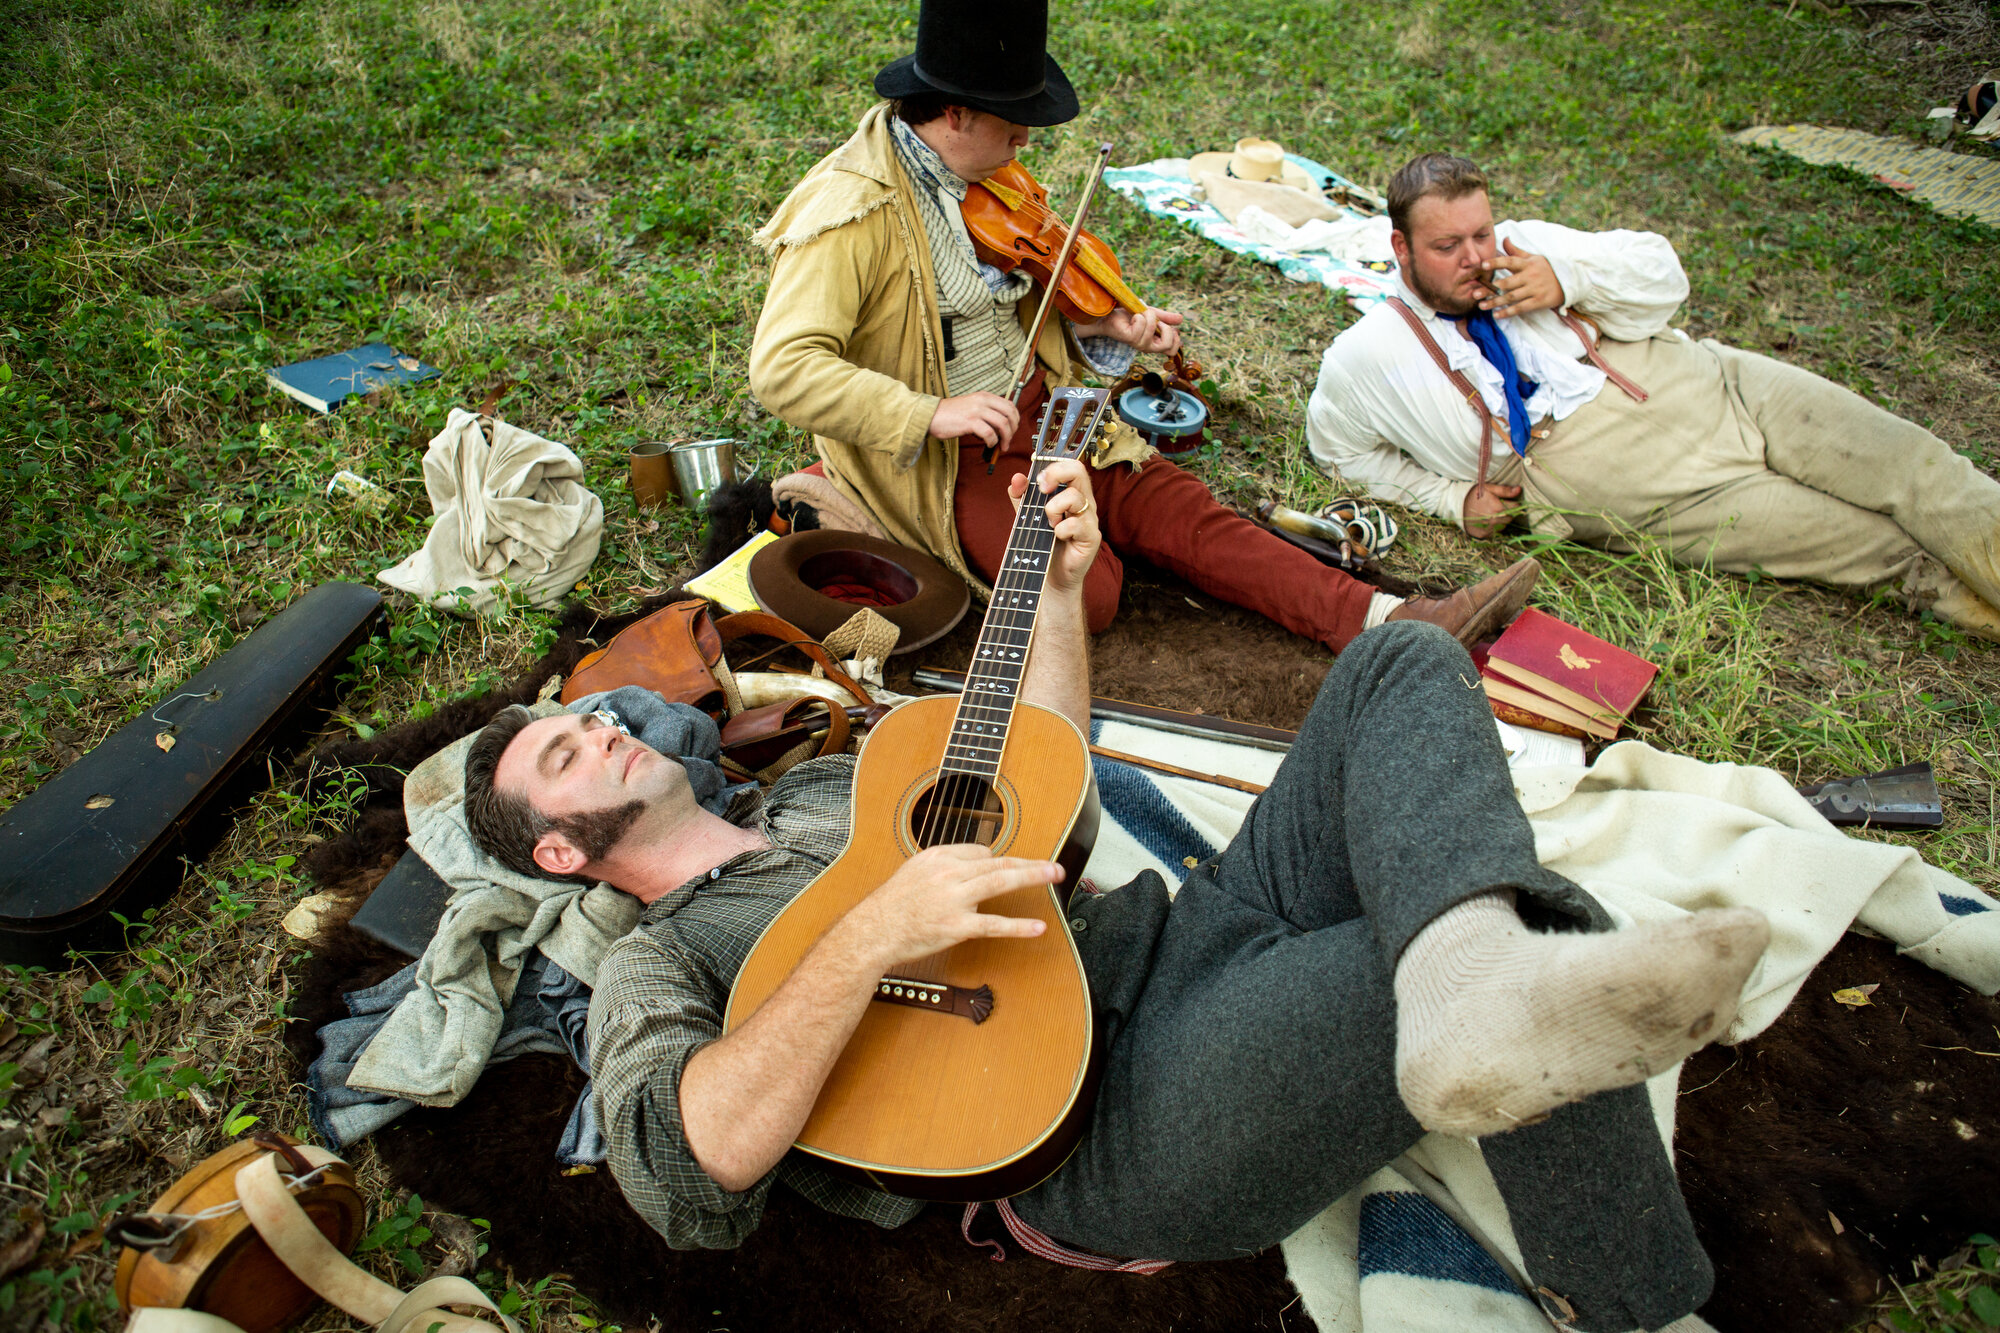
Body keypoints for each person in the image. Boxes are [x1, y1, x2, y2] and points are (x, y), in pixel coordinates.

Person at [462, 448, 1770, 1333]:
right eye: (566, 758)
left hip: (1181, 938)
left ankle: (1471, 976)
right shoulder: (655, 960)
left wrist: (1062, 589)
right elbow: (692, 1177)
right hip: (1103, 1121)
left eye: (588, 722)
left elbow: (1043, 773)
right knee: (1512, 925)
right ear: (562, 854)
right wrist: (871, 937)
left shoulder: (823, 788)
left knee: (1404, 669)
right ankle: (1639, 1292)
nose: (611, 732)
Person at [745, 0, 1541, 656]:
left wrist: (1112, 328)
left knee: (1190, 515)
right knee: (1090, 599)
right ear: (954, 114)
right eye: (1014, 123)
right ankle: (866, 510)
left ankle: (1390, 622)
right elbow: (781, 369)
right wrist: (930, 412)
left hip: (1043, 411)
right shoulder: (848, 212)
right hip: (950, 459)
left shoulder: (987, 174)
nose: (1028, 142)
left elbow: (1032, 298)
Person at [1306, 152, 2000, 641]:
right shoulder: (1370, 353)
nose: (1477, 257)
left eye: (1481, 233)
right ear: (1400, 247)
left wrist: (1565, 279)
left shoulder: (1529, 247)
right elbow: (1338, 451)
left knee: (1919, 467)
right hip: (1653, 486)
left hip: (1712, 382)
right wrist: (1453, 501)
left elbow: (1664, 274)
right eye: (1447, 245)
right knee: (1883, 553)